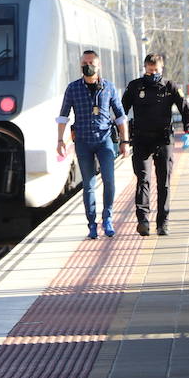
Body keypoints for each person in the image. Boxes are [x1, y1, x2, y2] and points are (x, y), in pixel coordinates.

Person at [56, 49, 129, 239]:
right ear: (80, 66)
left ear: (99, 65)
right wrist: (59, 141)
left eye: (91, 63)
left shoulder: (109, 87)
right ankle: (91, 224)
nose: (88, 66)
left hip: (104, 140)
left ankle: (107, 217)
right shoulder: (73, 88)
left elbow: (120, 116)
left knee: (109, 180)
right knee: (88, 184)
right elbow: (63, 115)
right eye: (84, 64)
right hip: (83, 141)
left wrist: (125, 141)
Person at [122, 53, 189, 236]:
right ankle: (143, 220)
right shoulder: (135, 86)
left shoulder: (170, 87)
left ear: (162, 69)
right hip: (141, 139)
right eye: (150, 70)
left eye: (156, 70)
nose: (153, 73)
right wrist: (119, 134)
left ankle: (163, 223)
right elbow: (121, 109)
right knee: (143, 179)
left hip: (164, 140)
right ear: (145, 68)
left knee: (164, 183)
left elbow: (185, 107)